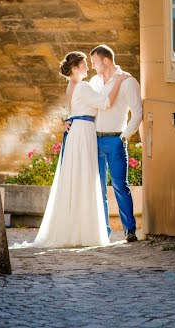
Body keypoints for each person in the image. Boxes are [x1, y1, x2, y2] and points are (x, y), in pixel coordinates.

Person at [25, 51, 127, 248]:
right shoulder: (82, 86)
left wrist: (67, 120)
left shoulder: (71, 86)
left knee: (77, 179)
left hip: (77, 132)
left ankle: (76, 228)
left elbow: (74, 110)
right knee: (85, 178)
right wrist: (118, 82)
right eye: (83, 65)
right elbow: (106, 103)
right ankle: (84, 232)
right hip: (83, 133)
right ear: (73, 68)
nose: (87, 68)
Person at [89, 44, 142, 242]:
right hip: (95, 139)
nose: (93, 66)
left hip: (115, 140)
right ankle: (104, 231)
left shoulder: (128, 82)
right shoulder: (94, 81)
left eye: (95, 62)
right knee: (99, 188)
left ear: (105, 60)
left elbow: (137, 113)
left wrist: (124, 137)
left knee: (120, 185)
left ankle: (130, 230)